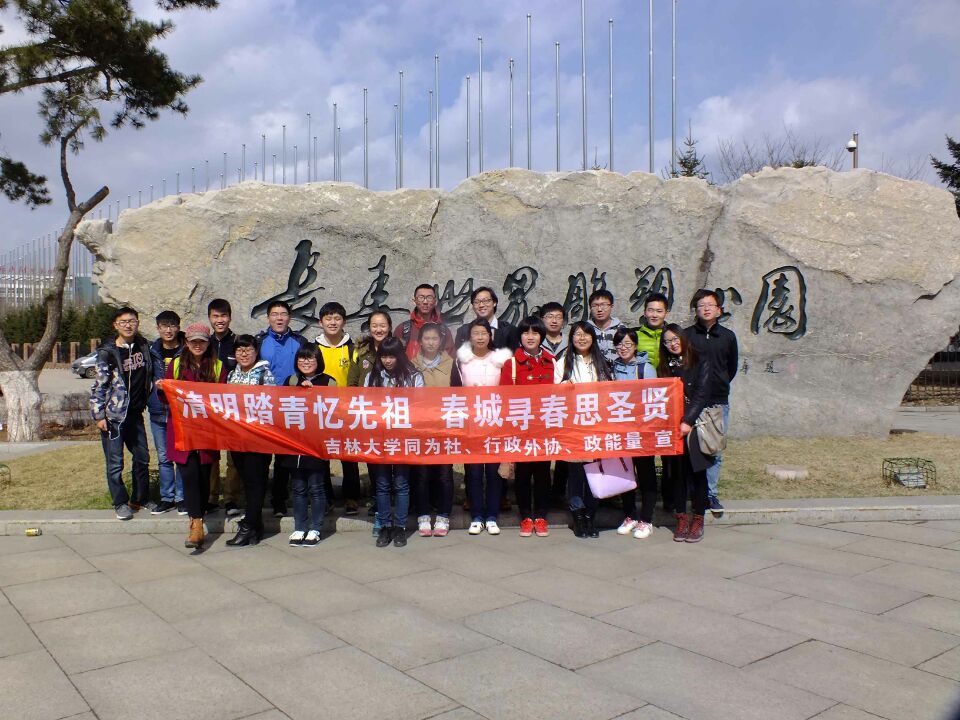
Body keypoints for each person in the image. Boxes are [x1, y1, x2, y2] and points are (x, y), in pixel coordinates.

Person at [162, 323, 226, 549]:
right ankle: (196, 524)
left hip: (207, 429)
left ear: (208, 343)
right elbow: (165, 397)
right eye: (193, 341)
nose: (197, 345)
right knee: (189, 474)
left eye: (202, 341)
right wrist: (161, 388)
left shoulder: (218, 366)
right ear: (186, 342)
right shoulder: (176, 364)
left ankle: (199, 514)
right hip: (182, 429)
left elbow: (223, 397)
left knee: (204, 475)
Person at [90, 307, 157, 520]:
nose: (128, 325)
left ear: (137, 323)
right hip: (114, 417)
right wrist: (99, 415)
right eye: (123, 322)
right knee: (115, 463)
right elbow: (99, 385)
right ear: (115, 325)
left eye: (132, 321)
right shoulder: (107, 352)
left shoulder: (143, 346)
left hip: (135, 414)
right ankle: (120, 503)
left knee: (142, 457)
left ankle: (140, 498)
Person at [452, 319, 512, 535]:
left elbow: (509, 390)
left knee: (495, 472)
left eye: (483, 333)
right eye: (475, 333)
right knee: (474, 471)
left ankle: (492, 516)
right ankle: (477, 515)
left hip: (496, 422)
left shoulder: (502, 360)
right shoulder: (461, 360)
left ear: (490, 336)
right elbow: (455, 391)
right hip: (472, 423)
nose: (479, 337)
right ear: (470, 337)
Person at [555, 321, 613, 538]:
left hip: (597, 426)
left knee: (595, 472)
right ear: (571, 338)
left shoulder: (601, 362)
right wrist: (563, 387)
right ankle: (578, 516)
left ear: (593, 338)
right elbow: (554, 393)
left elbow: (610, 392)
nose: (582, 338)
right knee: (576, 474)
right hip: (573, 427)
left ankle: (590, 515)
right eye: (577, 334)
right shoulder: (563, 362)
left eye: (586, 334)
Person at [366, 337, 424, 548]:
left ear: (400, 356)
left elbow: (420, 405)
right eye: (384, 356)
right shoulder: (372, 377)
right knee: (382, 484)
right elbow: (365, 405)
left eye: (392, 356)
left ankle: (400, 527)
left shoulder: (413, 376)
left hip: (403, 437)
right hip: (380, 437)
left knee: (401, 483)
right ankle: (384, 526)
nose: (388, 361)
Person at [684, 289, 738, 517]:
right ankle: (694, 492)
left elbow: (731, 367)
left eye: (710, 305)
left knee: (714, 449)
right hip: (691, 402)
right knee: (691, 450)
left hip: (717, 400)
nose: (705, 309)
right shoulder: (687, 335)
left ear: (719, 310)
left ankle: (711, 493)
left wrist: (718, 384)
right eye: (701, 305)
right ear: (695, 310)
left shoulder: (727, 337)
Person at [500, 316, 555, 538]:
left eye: (535, 332)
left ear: (542, 336)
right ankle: (525, 516)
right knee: (522, 474)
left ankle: (541, 516)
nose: (530, 337)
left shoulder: (552, 362)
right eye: (525, 332)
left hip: (545, 428)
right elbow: (504, 399)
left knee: (543, 474)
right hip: (520, 428)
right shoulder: (511, 364)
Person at [256, 300, 310, 518]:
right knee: (262, 456)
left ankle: (279, 500)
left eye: (283, 314)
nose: (279, 318)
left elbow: (308, 368)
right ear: (268, 317)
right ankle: (257, 500)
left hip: (291, 406)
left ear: (289, 317)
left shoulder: (300, 341)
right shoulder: (259, 342)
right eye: (275, 314)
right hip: (265, 406)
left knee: (284, 457)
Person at [659, 323, 712, 542]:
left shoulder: (700, 359)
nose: (672, 344)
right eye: (667, 342)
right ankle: (681, 518)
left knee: (698, 473)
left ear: (683, 338)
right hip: (672, 425)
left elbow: (701, 393)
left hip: (695, 424)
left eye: (675, 339)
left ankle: (698, 519)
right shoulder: (666, 365)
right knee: (677, 474)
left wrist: (688, 421)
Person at [224, 334, 275, 547]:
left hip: (258, 438)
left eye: (248, 350)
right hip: (236, 437)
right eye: (239, 350)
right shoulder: (231, 375)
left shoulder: (264, 373)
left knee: (256, 481)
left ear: (256, 352)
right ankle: (256, 526)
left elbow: (271, 404)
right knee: (247, 481)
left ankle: (247, 527)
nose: (244, 354)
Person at [282, 347, 335, 547]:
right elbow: (280, 407)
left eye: (310, 358)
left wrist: (313, 394)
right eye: (302, 358)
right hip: (294, 444)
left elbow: (334, 411)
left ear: (318, 360)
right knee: (298, 488)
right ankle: (299, 527)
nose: (305, 362)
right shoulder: (291, 381)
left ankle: (316, 528)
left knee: (317, 488)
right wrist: (298, 390)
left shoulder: (329, 382)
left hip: (317, 444)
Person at [610, 327, 658, 540]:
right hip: (620, 431)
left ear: (636, 346)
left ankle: (646, 519)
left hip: (642, 432)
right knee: (625, 474)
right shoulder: (612, 368)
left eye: (628, 344)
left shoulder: (645, 368)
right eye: (619, 344)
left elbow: (653, 400)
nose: (623, 348)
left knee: (646, 475)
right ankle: (630, 515)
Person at [347, 309, 393, 529]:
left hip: (393, 415)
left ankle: (395, 499)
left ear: (389, 327)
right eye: (374, 325)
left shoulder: (397, 348)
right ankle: (377, 499)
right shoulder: (360, 351)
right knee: (374, 459)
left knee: (394, 458)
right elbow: (352, 383)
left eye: (382, 325)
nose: (378, 329)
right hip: (369, 416)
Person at [315, 301, 361, 515]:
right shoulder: (314, 348)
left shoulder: (353, 348)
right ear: (320, 322)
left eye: (337, 318)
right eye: (328, 318)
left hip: (346, 410)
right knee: (322, 456)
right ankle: (326, 498)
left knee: (349, 455)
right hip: (321, 411)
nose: (332, 323)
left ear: (344, 322)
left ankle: (351, 498)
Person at [412, 323, 455, 537]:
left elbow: (459, 394)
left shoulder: (451, 364)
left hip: (445, 426)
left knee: (445, 473)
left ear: (441, 341)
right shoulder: (411, 365)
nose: (430, 342)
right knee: (421, 474)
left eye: (434, 338)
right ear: (420, 341)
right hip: (420, 428)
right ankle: (423, 515)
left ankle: (443, 516)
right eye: (426, 338)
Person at [147, 310, 184, 515]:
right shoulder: (151, 351)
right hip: (158, 410)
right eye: (164, 326)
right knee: (163, 457)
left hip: (180, 412)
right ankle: (167, 497)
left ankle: (181, 497)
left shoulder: (186, 350)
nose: (168, 330)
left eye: (172, 326)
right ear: (158, 328)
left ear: (178, 327)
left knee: (181, 455)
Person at [207, 298, 242, 516]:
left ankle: (231, 499)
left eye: (223, 316)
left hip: (233, 409)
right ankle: (211, 497)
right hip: (209, 409)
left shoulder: (239, 343)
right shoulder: (204, 343)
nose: (220, 320)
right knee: (210, 456)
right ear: (209, 318)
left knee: (234, 458)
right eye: (215, 316)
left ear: (230, 317)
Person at [539, 301, 569, 503]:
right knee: (544, 448)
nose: (554, 320)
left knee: (564, 448)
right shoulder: (534, 341)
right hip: (542, 405)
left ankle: (559, 491)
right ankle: (543, 492)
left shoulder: (571, 342)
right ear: (542, 319)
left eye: (558, 316)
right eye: (549, 316)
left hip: (566, 404)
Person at [395, 283, 454, 359]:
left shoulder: (444, 331)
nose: (425, 302)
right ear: (414, 301)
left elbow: (450, 360)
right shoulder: (403, 329)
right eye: (421, 297)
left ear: (435, 301)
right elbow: (394, 358)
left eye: (429, 298)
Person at [586, 289, 626, 366]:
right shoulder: (585, 329)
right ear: (590, 308)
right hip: (591, 371)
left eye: (603, 305)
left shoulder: (621, 329)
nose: (599, 309)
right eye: (595, 305)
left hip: (617, 371)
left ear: (611, 306)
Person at [635, 292, 668, 370]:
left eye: (659, 311)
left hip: (667, 377)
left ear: (666, 313)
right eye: (650, 310)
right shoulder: (635, 335)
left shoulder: (672, 336)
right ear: (644, 313)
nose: (654, 315)